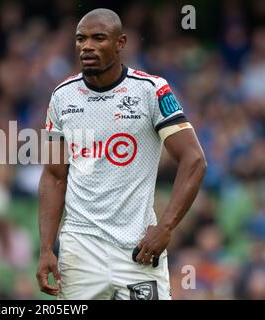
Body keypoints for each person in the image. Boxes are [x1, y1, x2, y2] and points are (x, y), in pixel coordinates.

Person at [36, 8, 207, 300]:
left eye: (98, 38)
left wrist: (165, 228)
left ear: (121, 43)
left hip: (138, 248)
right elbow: (54, 176)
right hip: (80, 248)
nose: (86, 46)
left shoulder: (152, 91)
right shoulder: (62, 96)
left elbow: (194, 160)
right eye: (80, 39)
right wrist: (45, 249)